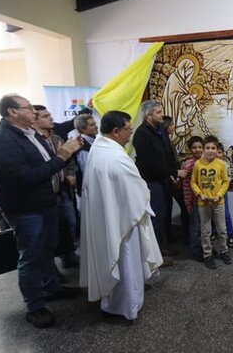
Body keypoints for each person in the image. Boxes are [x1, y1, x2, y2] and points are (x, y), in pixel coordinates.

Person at [0, 94, 83, 328]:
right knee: (30, 257)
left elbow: (44, 164)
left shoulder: (29, 134)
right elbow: (28, 176)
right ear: (12, 112)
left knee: (47, 250)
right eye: (28, 108)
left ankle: (51, 288)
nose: (34, 112)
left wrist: (63, 158)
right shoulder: (0, 139)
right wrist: (63, 155)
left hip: (45, 202)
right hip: (26, 208)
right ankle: (35, 307)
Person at [79, 110, 163, 323]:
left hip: (113, 216)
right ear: (116, 131)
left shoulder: (99, 148)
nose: (130, 134)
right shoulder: (115, 157)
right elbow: (137, 189)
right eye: (128, 130)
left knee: (120, 261)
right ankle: (125, 305)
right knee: (126, 262)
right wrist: (145, 192)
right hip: (123, 222)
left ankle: (119, 300)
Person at [132, 101, 186, 260]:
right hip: (152, 181)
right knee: (157, 215)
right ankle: (154, 255)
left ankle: (163, 245)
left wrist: (173, 173)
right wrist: (174, 171)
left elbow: (168, 154)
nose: (162, 115)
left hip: (164, 179)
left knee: (165, 212)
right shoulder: (142, 134)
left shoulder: (160, 130)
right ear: (149, 115)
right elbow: (149, 163)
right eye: (158, 112)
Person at [32, 105, 80, 268]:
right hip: (46, 192)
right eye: (46, 116)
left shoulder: (57, 138)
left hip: (63, 190)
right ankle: (52, 269)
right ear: (34, 120)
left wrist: (70, 172)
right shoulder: (33, 142)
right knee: (49, 233)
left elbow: (68, 158)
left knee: (69, 224)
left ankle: (69, 254)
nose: (51, 118)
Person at [191, 135, 232, 269]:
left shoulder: (221, 164)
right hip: (203, 204)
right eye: (207, 148)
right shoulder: (198, 164)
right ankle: (207, 254)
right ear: (203, 149)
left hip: (218, 202)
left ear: (217, 149)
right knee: (206, 231)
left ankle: (223, 251)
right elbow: (193, 182)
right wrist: (199, 194)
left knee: (222, 230)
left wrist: (219, 195)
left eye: (213, 148)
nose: (210, 151)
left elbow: (226, 181)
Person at [162, 115, 190, 244]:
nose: (173, 127)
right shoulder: (164, 142)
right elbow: (166, 163)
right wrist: (174, 178)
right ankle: (178, 237)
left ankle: (180, 235)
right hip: (171, 179)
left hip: (174, 177)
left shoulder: (168, 140)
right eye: (171, 124)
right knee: (172, 208)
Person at [182, 135, 204, 260]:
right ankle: (195, 250)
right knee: (195, 226)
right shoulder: (188, 164)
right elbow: (186, 185)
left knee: (205, 226)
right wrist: (188, 202)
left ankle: (206, 248)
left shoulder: (209, 162)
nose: (198, 150)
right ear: (190, 149)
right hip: (194, 201)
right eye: (194, 147)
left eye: (200, 147)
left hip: (207, 200)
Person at [217, 143, 233, 248]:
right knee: (211, 215)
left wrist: (220, 190)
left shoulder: (225, 165)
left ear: (223, 153)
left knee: (225, 214)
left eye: (219, 152)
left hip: (222, 193)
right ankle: (214, 233)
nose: (217, 154)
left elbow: (227, 180)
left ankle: (231, 235)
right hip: (210, 194)